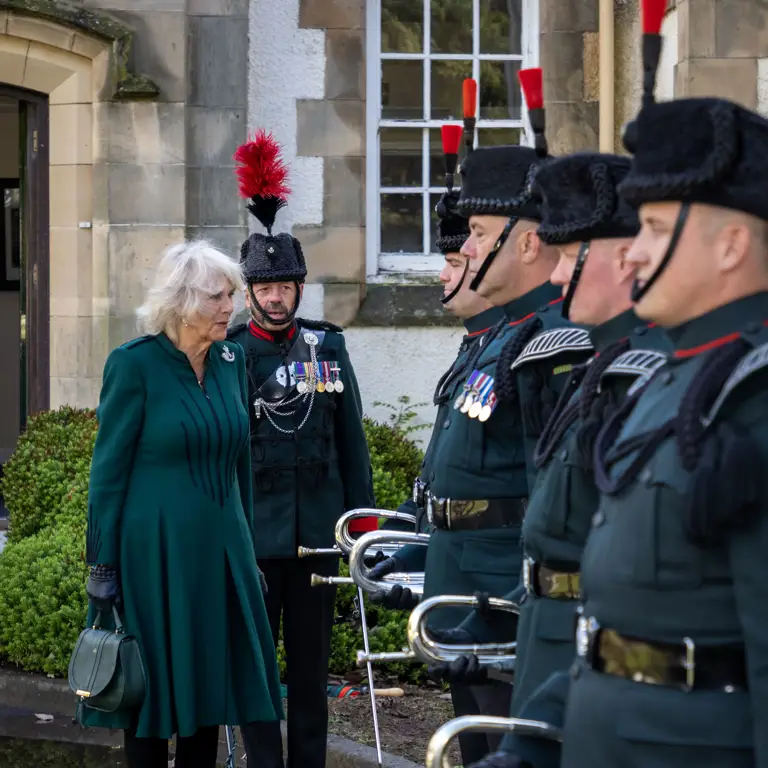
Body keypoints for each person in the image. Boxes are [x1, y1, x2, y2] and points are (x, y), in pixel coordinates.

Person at [562, 4, 768, 766]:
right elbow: (608, 623)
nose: (630, 254)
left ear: (732, 245)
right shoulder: (671, 377)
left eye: (653, 227)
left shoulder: (755, 392)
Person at [461, 152, 671, 768]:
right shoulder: (598, 366)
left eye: (574, 257)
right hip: (557, 633)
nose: (557, 276)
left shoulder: (650, 374)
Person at [423, 71, 593, 717]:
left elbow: (546, 487)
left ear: (526, 242)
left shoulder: (552, 340)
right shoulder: (505, 335)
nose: (464, 251)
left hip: (503, 585)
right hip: (465, 576)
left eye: (477, 235)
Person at [83, 239, 283, 768]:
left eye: (232, 296)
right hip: (154, 555)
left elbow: (240, 461)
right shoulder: (134, 366)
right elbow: (107, 476)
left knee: (211, 691)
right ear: (182, 300)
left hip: (222, 553)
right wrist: (101, 563)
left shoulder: (230, 359)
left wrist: (249, 551)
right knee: (146, 694)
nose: (231, 308)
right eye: (218, 297)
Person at [227, 131, 374, 768]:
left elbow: (352, 442)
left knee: (311, 671)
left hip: (317, 535)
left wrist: (363, 531)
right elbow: (226, 451)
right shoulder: (230, 353)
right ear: (250, 291)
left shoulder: (328, 347)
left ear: (300, 285)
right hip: (256, 537)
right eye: (267, 286)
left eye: (287, 284)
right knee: (257, 668)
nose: (278, 295)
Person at [369, 128, 504, 612]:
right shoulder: (476, 347)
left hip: (484, 565)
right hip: (451, 550)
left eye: (454, 259)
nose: (445, 274)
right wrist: (404, 530)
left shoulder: (506, 347)